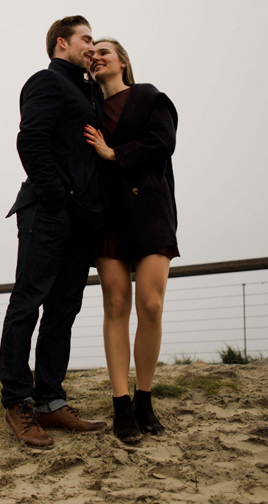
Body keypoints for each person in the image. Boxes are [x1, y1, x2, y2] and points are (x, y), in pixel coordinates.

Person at [0, 16, 107, 448]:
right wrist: (56, 196)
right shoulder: (46, 81)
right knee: (28, 302)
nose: (92, 45)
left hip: (82, 218)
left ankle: (50, 400)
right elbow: (31, 140)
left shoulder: (88, 91)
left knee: (64, 310)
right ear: (62, 43)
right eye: (86, 38)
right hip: (48, 211)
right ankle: (17, 401)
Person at [83, 38, 179, 443]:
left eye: (104, 51)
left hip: (150, 212)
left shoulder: (149, 96)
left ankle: (145, 399)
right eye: (91, 54)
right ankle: (122, 405)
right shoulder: (86, 107)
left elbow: (163, 143)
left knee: (152, 305)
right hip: (107, 215)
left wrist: (113, 153)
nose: (96, 57)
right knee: (116, 303)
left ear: (122, 60)